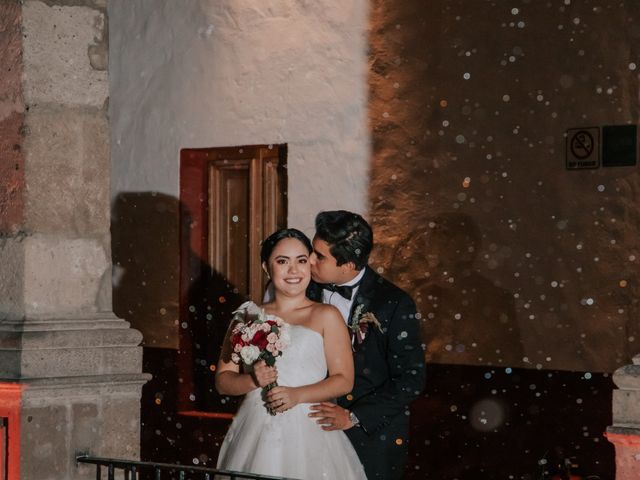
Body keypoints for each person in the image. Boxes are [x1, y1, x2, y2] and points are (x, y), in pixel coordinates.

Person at [215, 228, 367, 480]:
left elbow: (343, 379)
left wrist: (298, 395)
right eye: (282, 261)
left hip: (309, 428)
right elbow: (223, 380)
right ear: (266, 267)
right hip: (256, 429)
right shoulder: (247, 317)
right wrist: (253, 380)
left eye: (301, 260)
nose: (293, 270)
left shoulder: (326, 315)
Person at [307, 210, 426, 480]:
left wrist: (353, 416)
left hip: (370, 438)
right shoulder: (305, 291)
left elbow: (411, 378)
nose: (310, 261)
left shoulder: (394, 304)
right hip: (309, 430)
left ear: (348, 264)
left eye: (320, 256)